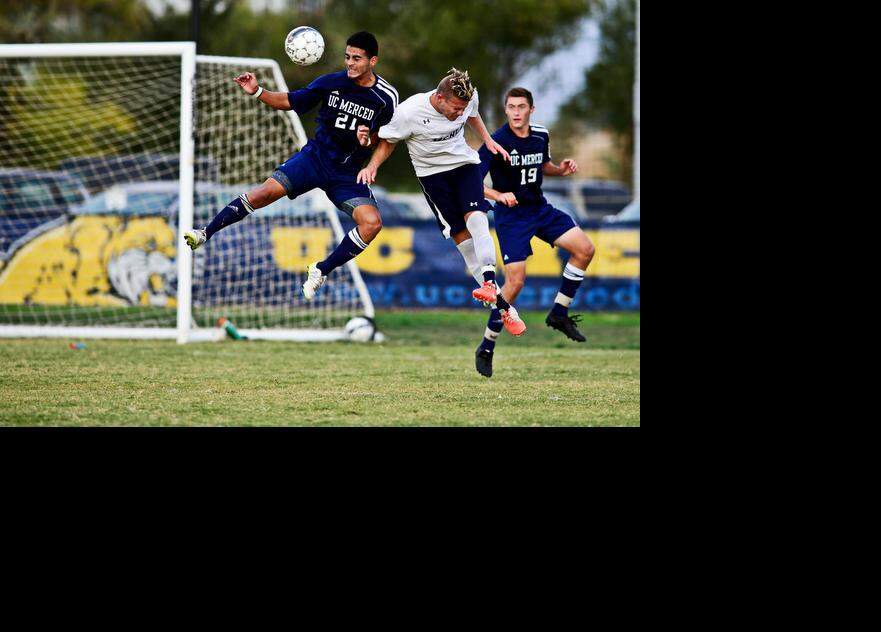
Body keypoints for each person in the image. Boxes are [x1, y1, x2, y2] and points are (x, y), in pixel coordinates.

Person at [183, 31, 399, 301]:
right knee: (264, 193)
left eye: (357, 58)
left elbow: (389, 138)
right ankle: (205, 233)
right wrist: (258, 91)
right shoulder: (330, 83)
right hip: (314, 159)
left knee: (372, 224)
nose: (350, 63)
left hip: (347, 173)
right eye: (347, 57)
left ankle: (321, 270)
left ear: (372, 61)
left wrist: (369, 150)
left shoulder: (386, 97)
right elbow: (290, 101)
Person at [354, 68, 525, 336]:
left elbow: (473, 114)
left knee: (478, 219)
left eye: (463, 107)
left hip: (464, 165)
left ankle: (489, 283)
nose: (460, 113)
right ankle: (504, 308)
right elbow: (387, 141)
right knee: (464, 243)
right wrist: (371, 166)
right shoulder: (409, 112)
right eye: (455, 108)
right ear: (440, 97)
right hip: (432, 177)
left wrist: (488, 140)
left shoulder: (468, 99)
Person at [472, 87, 595, 377]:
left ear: (531, 109)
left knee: (585, 249)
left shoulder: (540, 134)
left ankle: (559, 313)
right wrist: (498, 195)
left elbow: (543, 166)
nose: (516, 112)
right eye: (511, 107)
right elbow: (472, 181)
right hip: (512, 217)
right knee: (515, 283)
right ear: (506, 110)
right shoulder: (496, 141)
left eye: (521, 107)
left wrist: (561, 169)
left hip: (539, 209)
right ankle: (487, 346)